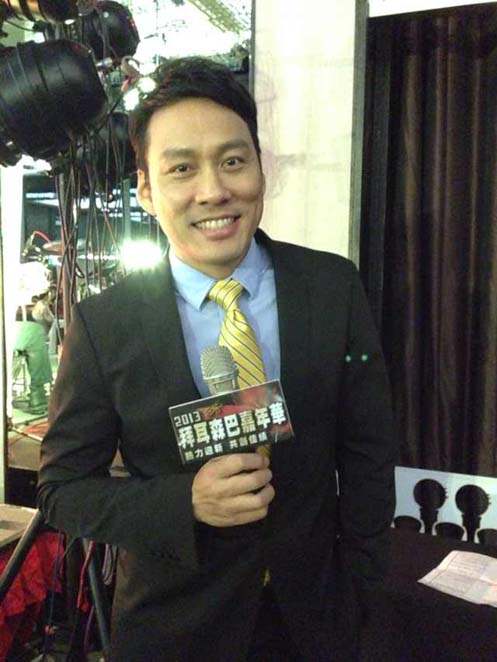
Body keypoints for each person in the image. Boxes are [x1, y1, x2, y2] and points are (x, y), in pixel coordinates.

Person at [38, 57, 397, 661]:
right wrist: (184, 503)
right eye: (182, 168)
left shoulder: (332, 287)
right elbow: (62, 489)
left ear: (260, 167)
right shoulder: (105, 325)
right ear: (147, 190)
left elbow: (368, 451)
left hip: (316, 622)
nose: (213, 191)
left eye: (233, 161)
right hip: (175, 627)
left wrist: (364, 587)